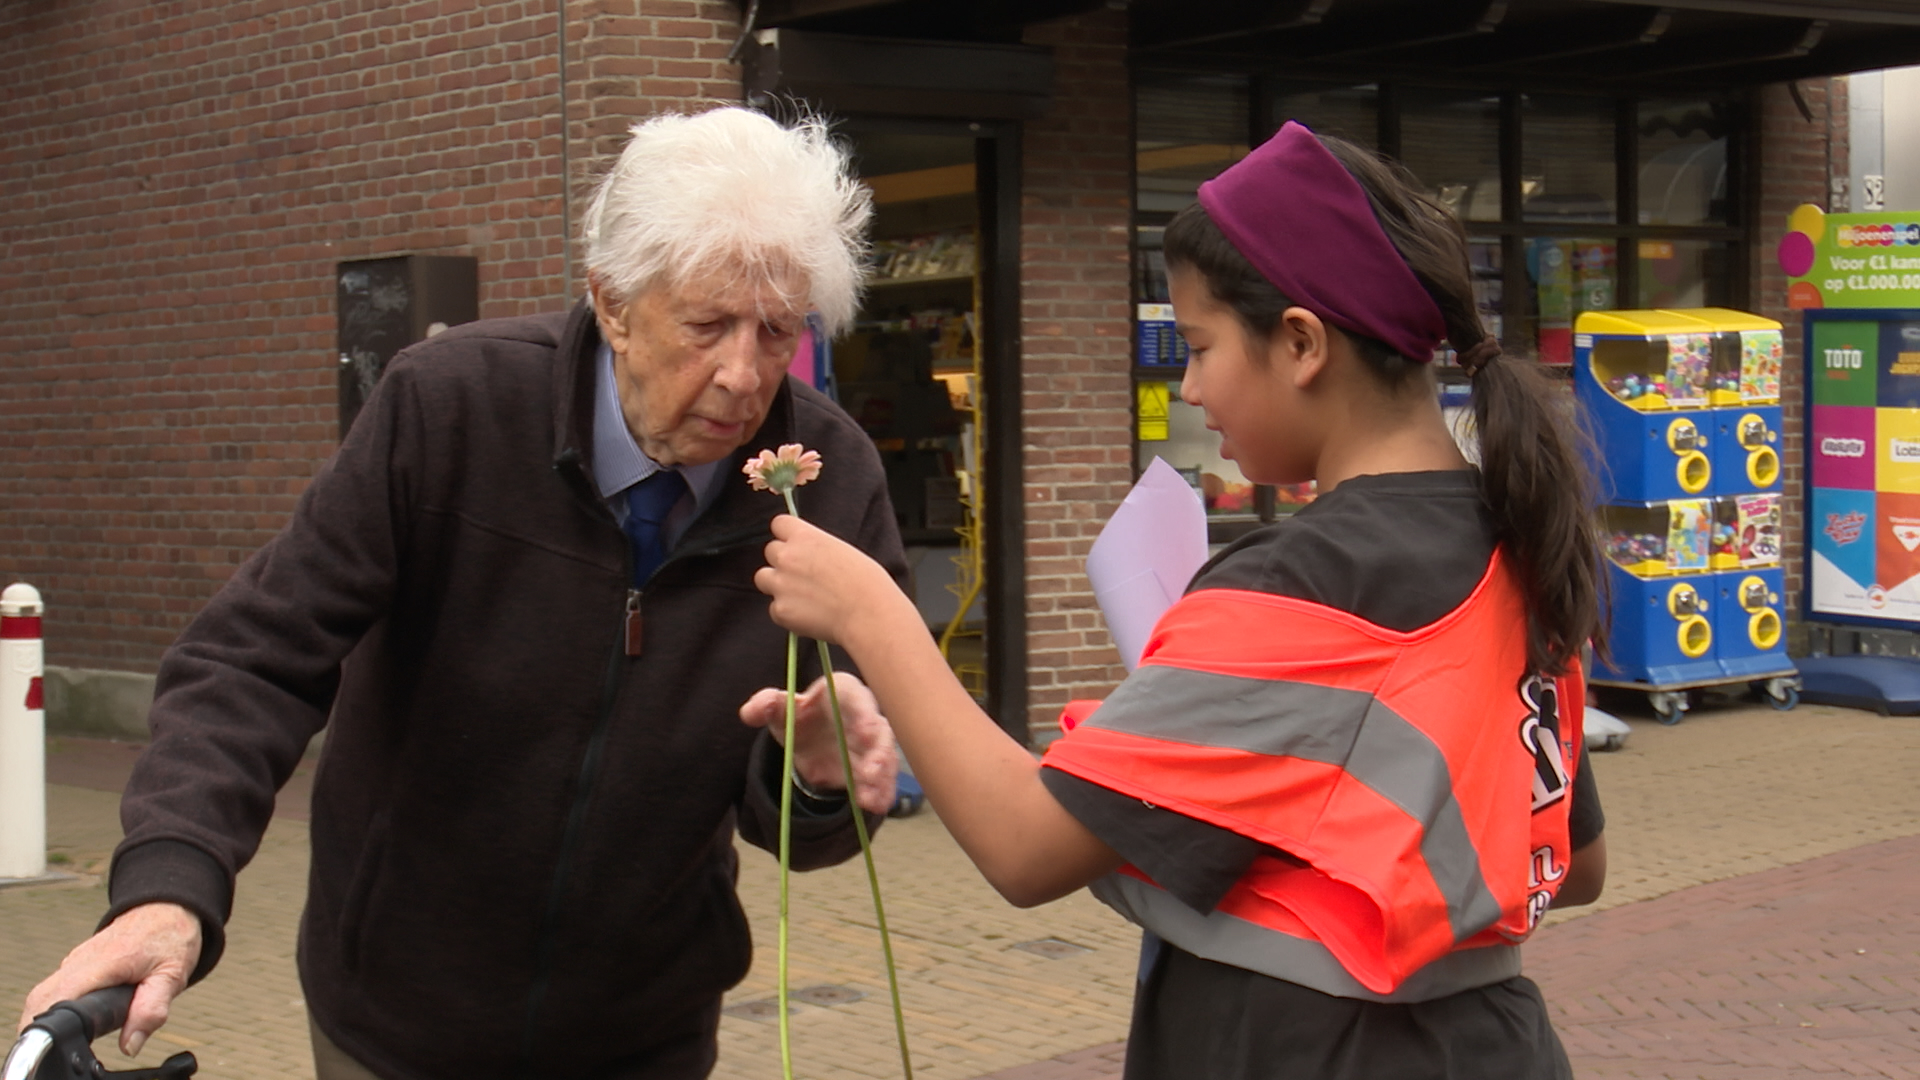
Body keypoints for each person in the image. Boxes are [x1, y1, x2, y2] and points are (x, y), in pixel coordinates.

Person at [20, 106, 908, 1080]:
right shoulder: (447, 409)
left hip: (644, 1035)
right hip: (395, 1025)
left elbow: (802, 819)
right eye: (706, 326)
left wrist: (816, 783)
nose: (745, 376)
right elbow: (254, 660)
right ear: (611, 303)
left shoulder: (833, 482)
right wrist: (170, 887)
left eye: (778, 330)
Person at [754, 121, 1608, 1079]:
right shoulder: (1516, 537)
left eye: (1200, 345)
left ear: (1300, 343)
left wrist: (872, 612)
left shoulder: (1303, 581)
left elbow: (1026, 848)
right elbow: (1570, 865)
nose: (1192, 387)